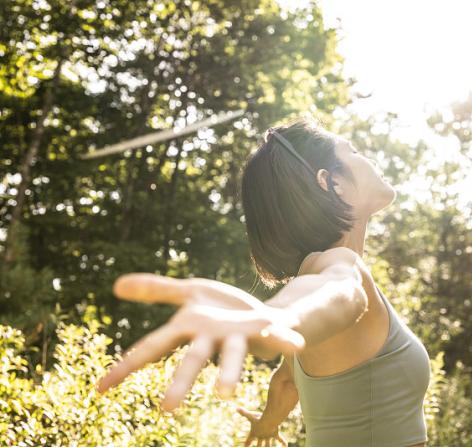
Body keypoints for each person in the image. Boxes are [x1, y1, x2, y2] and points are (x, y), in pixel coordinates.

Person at [97, 118, 431, 447]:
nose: (368, 158)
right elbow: (340, 294)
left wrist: (267, 424)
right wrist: (276, 318)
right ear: (332, 183)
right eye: (353, 151)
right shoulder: (338, 266)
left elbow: (287, 381)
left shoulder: (312, 272)